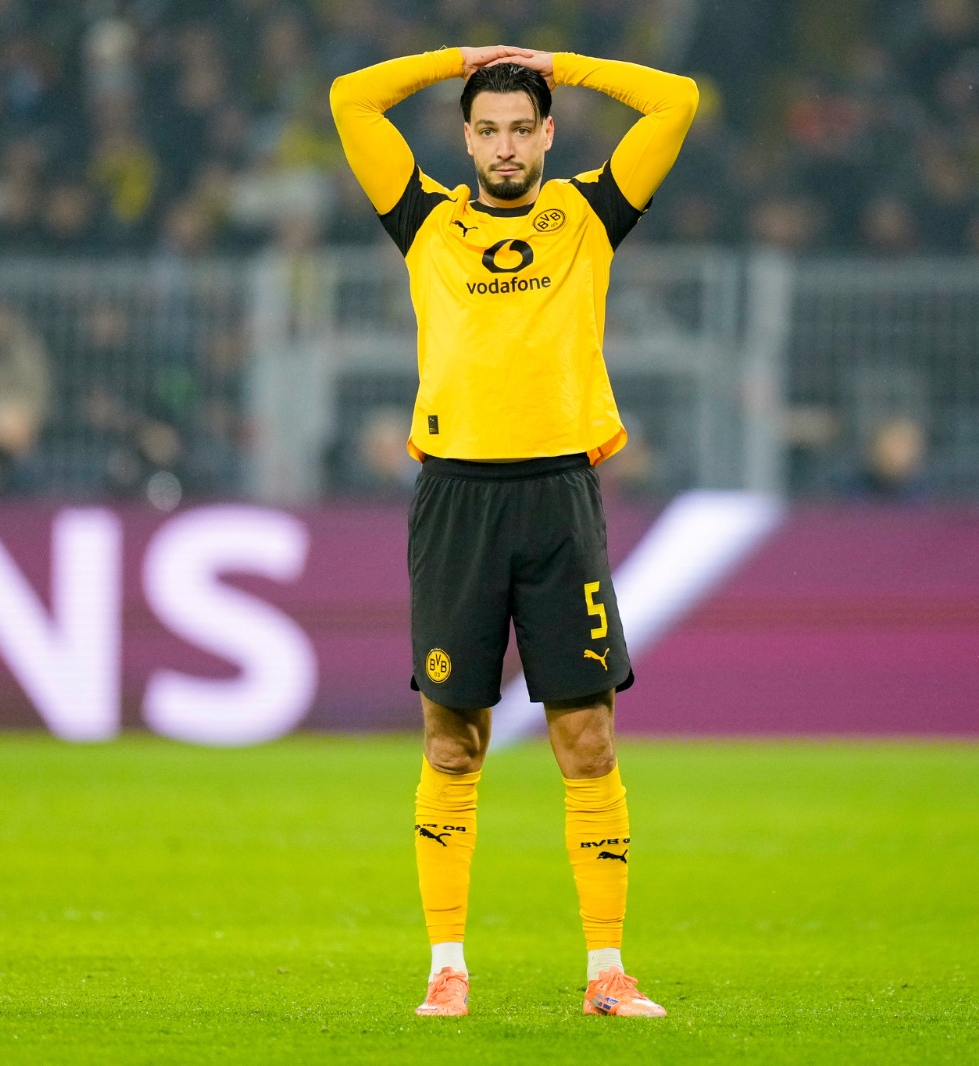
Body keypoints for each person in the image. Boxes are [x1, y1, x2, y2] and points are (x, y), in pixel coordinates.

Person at [330, 45, 697, 1018]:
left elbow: (675, 100)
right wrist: (461, 59)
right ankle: (445, 968)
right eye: (486, 129)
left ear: (545, 135)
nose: (503, 146)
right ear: (466, 139)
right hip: (457, 498)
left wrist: (556, 64)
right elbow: (350, 99)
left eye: (519, 128)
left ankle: (606, 972)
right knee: (454, 743)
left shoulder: (588, 214)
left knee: (587, 738)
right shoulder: (426, 221)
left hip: (558, 498)